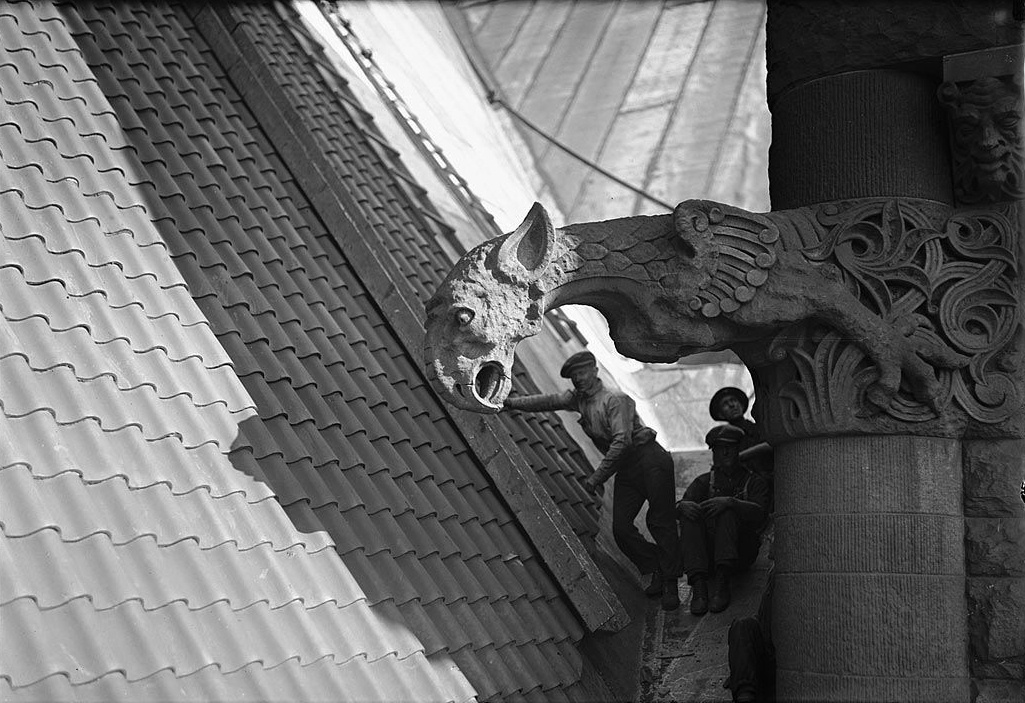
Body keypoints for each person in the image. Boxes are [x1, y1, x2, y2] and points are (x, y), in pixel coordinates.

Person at [503, 351, 682, 610]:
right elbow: (548, 401)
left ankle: (672, 582)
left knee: (660, 521)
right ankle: (656, 565)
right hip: (627, 468)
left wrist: (597, 477)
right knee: (621, 528)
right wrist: (511, 403)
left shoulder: (615, 400)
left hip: (650, 460)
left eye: (583, 373)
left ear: (595, 371)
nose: (579, 380)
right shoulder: (579, 400)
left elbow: (622, 442)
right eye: (575, 377)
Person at [676, 424, 769, 615]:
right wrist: (681, 506)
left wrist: (731, 503)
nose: (725, 453)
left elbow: (761, 513)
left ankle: (722, 585)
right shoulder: (703, 482)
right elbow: (681, 506)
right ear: (713, 453)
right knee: (689, 515)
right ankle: (699, 587)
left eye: (730, 448)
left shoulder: (753, 481)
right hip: (709, 557)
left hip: (740, 554)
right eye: (719, 449)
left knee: (726, 512)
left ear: (738, 451)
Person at [725, 566, 776, 702]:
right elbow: (763, 619)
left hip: (785, 660)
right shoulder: (775, 571)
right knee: (742, 626)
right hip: (768, 652)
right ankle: (744, 694)